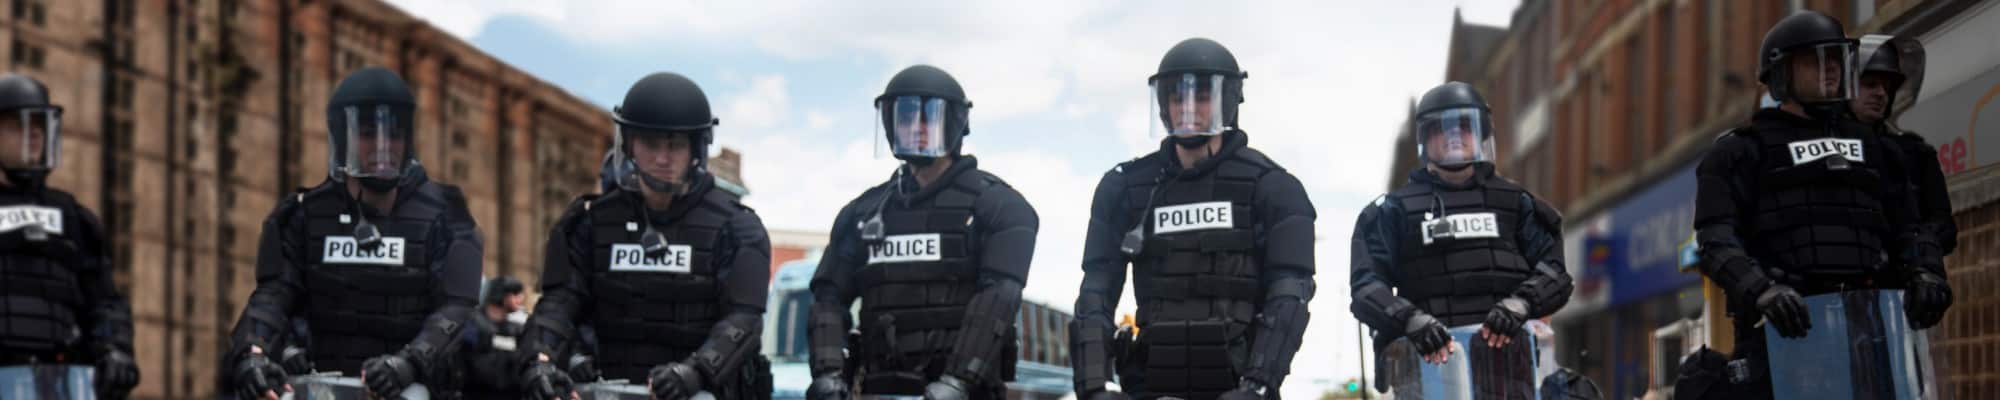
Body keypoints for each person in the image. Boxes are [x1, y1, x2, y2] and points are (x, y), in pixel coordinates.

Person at [1675, 11, 1949, 399]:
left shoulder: (1879, 151)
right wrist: (1762, 290)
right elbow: (1716, 238)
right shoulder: (1739, 151)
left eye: (1837, 60)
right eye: (1816, 61)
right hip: (1781, 338)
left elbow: (1912, 227)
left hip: (1867, 336)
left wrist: (1927, 272)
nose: (1832, 70)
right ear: (1782, 72)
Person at [1069, 38, 1316, 400]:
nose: (1188, 108)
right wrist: (1092, 386)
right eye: (1177, 97)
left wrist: (1260, 385)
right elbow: (1096, 292)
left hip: (1238, 383)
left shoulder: (1273, 187)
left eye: (1201, 97)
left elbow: (1290, 293)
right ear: (1164, 105)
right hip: (1150, 382)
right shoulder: (1124, 187)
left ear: (1227, 101)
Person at [226, 66, 484, 400]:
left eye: (393, 134)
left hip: (414, 386)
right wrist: (253, 355)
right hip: (322, 387)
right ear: (342, 136)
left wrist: (409, 362)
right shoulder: (303, 214)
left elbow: (457, 308)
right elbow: (272, 298)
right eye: (367, 133)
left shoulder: (447, 214)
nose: (382, 146)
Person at [518, 72, 773, 400]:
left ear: (695, 148)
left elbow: (744, 320)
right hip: (606, 389)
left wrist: (697, 371)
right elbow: (559, 304)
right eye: (651, 144)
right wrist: (541, 360)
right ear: (630, 144)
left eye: (675, 145)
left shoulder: (738, 228)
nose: (663, 158)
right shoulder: (590, 222)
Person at [806, 65, 1039, 400]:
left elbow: (998, 300)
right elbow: (827, 298)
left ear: (956, 122)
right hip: (877, 389)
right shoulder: (862, 213)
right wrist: (828, 372)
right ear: (889, 125)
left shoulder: (998, 206)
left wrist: (958, 381)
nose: (917, 127)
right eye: (905, 117)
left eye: (930, 116)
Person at [1347, 81, 1572, 399]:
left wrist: (1521, 303)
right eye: (1442, 128)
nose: (1454, 136)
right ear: (1425, 139)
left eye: (1465, 126)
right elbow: (1366, 288)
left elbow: (1556, 273)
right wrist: (1410, 320)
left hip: (1515, 375)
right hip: (1429, 374)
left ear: (1481, 134)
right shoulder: (1392, 211)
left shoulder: (1518, 204)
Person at [0, 73, 139, 398]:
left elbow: (105, 303)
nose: (33, 135)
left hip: (60, 385)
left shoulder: (75, 219)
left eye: (39, 125)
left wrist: (115, 349)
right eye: (18, 125)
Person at [1853, 33, 1957, 277]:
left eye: (1887, 87)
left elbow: (1944, 224)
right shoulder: (1824, 146)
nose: (1881, 93)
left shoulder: (1914, 152)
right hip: (1837, 295)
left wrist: (1924, 245)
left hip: (1902, 295)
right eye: (1870, 83)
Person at [463, 276, 528, 398]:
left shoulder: (514, 328)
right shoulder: (474, 323)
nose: (520, 299)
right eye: (515, 294)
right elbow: (472, 364)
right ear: (501, 295)